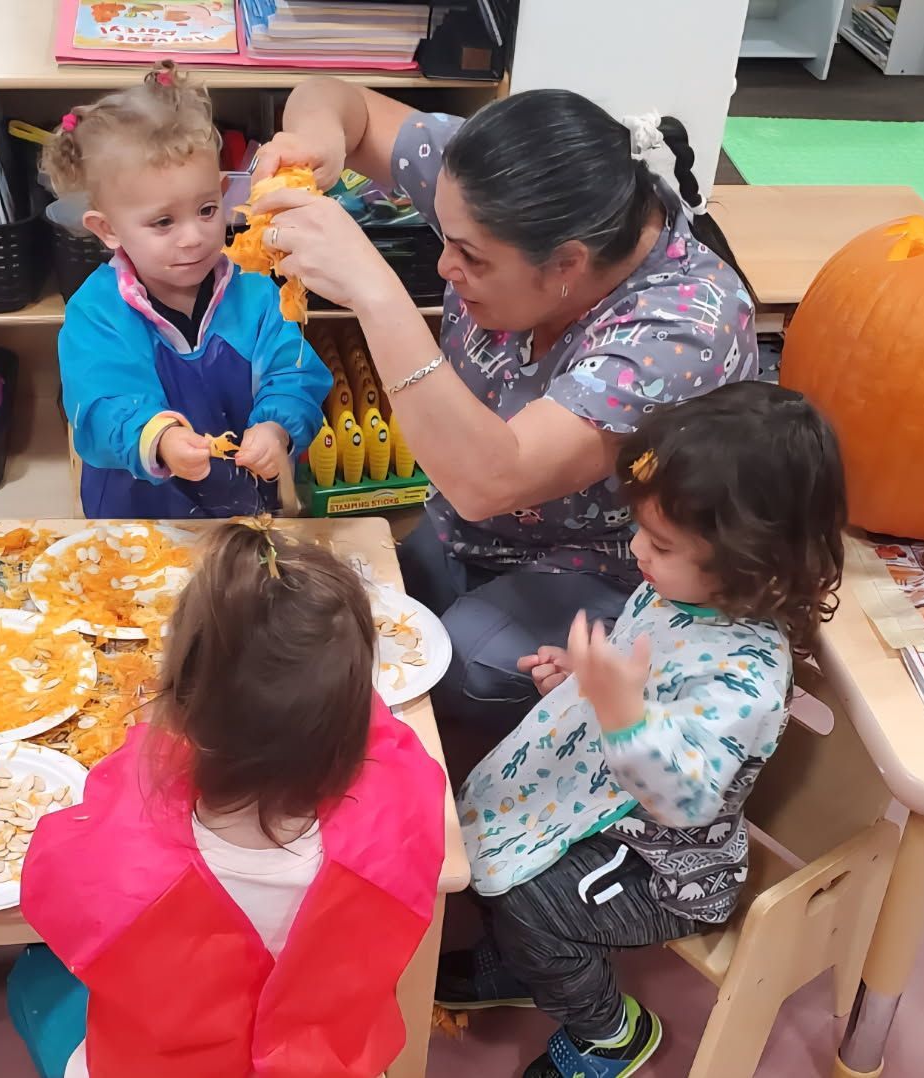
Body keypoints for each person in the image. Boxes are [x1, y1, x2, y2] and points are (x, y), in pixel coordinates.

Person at [247, 81, 760, 733]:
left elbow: (489, 483)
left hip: (611, 560)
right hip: (474, 528)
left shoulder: (681, 331)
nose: (443, 263)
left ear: (565, 266)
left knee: (456, 668)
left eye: (470, 257)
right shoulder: (495, 188)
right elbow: (334, 99)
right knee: (344, 615)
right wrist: (316, 143)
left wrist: (375, 294)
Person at [435, 383, 848, 1078]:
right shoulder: (677, 589)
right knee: (479, 828)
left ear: (748, 564)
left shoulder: (744, 676)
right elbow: (645, 672)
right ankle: (523, 964)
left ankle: (610, 1033)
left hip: (668, 867)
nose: (634, 550)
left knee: (525, 901)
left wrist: (621, 710)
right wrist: (582, 682)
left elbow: (681, 798)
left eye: (657, 542)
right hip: (605, 804)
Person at [10, 519, 446, 1077]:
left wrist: (151, 746)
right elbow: (391, 742)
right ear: (348, 717)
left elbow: (50, 880)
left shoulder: (128, 848)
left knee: (34, 982)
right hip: (327, 1060)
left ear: (181, 703)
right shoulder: (404, 798)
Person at [47, 61, 330, 519]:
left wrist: (277, 427)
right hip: (140, 515)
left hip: (246, 507)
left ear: (225, 194)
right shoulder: (96, 313)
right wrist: (157, 438)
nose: (193, 237)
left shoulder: (258, 294)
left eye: (206, 209)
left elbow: (296, 375)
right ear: (108, 230)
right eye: (163, 222)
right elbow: (100, 406)